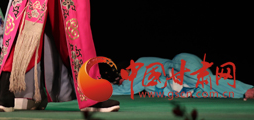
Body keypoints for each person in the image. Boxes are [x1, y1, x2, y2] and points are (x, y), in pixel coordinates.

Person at [109, 53, 254, 100]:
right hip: (179, 78)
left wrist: (99, 88)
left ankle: (247, 90)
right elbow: (130, 87)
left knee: (204, 80)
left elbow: (125, 89)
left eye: (121, 78)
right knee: (205, 90)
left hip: (181, 62)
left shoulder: (138, 64)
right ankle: (243, 93)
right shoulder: (146, 78)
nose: (121, 81)